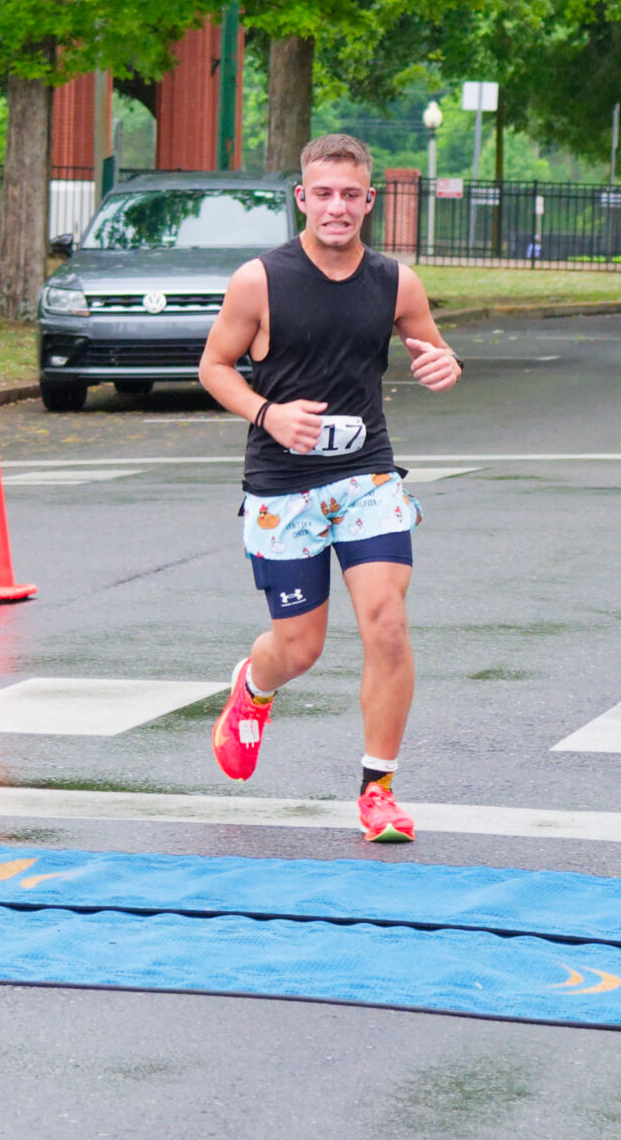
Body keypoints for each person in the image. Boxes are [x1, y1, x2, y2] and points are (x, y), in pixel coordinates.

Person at [197, 132, 462, 843]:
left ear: (369, 201)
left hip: (367, 475)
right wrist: (268, 413)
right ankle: (253, 686)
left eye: (351, 194)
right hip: (283, 485)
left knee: (388, 622)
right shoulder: (260, 280)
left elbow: (429, 344)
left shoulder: (395, 282)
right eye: (324, 194)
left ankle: (378, 789)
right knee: (300, 647)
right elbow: (214, 366)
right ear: (302, 198)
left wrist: (443, 364)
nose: (337, 207)